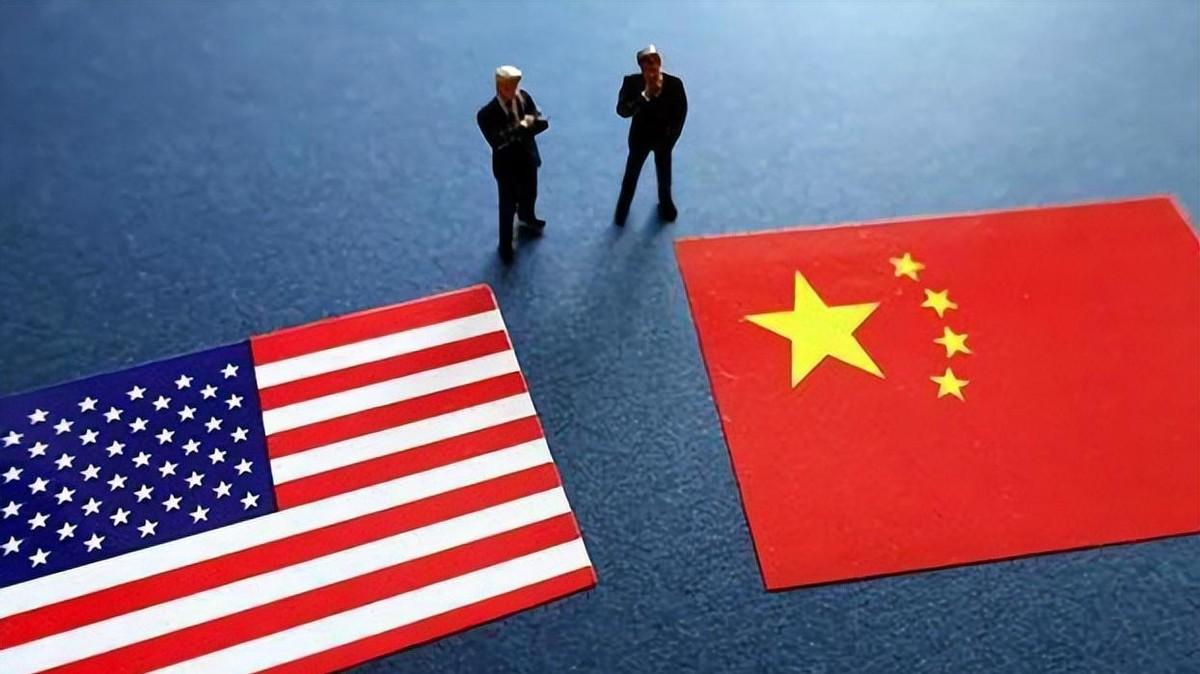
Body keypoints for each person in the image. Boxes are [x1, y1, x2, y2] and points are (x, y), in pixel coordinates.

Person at [477, 65, 549, 262]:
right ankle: (505, 244)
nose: (514, 91)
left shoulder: (524, 97)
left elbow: (534, 113)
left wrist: (531, 122)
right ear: (500, 87)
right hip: (506, 167)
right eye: (510, 87)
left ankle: (527, 217)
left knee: (530, 193)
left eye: (516, 86)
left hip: (528, 157)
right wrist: (522, 127)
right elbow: (497, 140)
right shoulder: (486, 114)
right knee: (507, 206)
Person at [614, 44, 687, 225]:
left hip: (664, 140)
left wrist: (671, 139)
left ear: (660, 63)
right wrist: (644, 96)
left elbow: (680, 114)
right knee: (631, 176)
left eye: (654, 62)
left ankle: (666, 205)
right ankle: (622, 211)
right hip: (640, 139)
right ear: (641, 67)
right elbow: (622, 111)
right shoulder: (631, 83)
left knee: (664, 176)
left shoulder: (675, 84)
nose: (652, 67)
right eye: (647, 64)